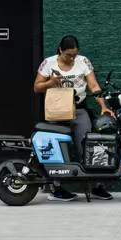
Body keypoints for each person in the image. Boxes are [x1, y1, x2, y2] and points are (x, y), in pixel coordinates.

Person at [34, 35, 110, 199]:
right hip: (57, 111)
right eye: (68, 55)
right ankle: (56, 188)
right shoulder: (49, 63)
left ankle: (96, 185)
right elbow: (37, 87)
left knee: (87, 144)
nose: (71, 58)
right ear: (60, 50)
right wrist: (50, 83)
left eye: (74, 55)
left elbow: (93, 86)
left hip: (78, 109)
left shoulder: (83, 61)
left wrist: (103, 106)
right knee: (55, 147)